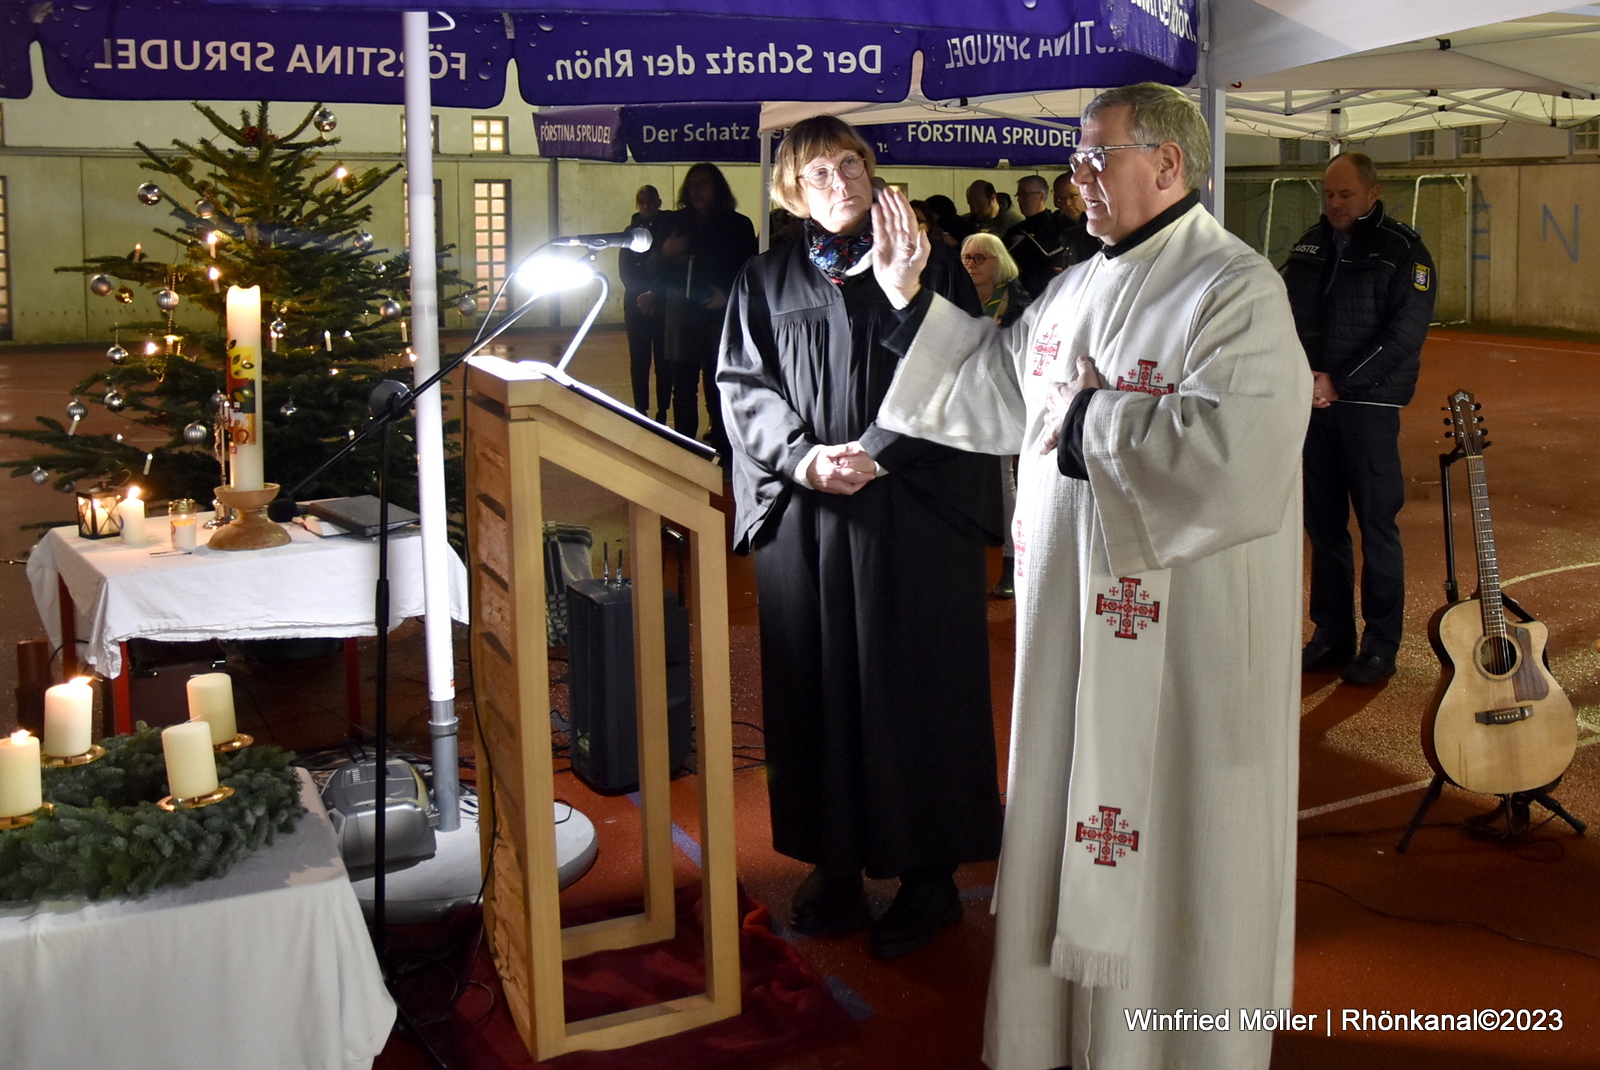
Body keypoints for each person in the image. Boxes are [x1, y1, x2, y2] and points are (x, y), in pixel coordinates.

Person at [869, 82, 1309, 1069]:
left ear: (1169, 163)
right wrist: (909, 298)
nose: (1077, 178)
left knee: (1180, 836)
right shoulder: (1072, 286)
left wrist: (1087, 424)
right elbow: (994, 388)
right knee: (1072, 805)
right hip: (1073, 632)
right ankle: (1064, 1037)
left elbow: (1240, 452)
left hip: (1183, 654)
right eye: (1074, 161)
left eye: (1096, 157)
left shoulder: (1234, 289)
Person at [717, 114, 1003, 960]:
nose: (840, 181)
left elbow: (968, 371)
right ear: (790, 191)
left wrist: (875, 454)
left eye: (851, 163)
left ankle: (928, 877)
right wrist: (805, 462)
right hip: (808, 518)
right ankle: (836, 862)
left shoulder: (929, 261)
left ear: (873, 169)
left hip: (911, 510)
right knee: (818, 688)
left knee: (916, 687)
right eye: (818, 172)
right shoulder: (764, 280)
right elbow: (742, 387)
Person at [1283, 152, 1436, 685]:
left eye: (1346, 194)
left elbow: (1403, 337)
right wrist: (1300, 376)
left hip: (1367, 410)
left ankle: (1379, 644)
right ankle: (1331, 634)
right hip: (1312, 406)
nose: (1336, 204)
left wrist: (1337, 382)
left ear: (1372, 193)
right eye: (1328, 195)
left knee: (1376, 528)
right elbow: (1281, 311)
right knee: (1324, 530)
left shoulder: (1403, 251)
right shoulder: (1310, 243)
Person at [654, 163, 758, 452]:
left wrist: (727, 296)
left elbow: (748, 270)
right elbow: (653, 271)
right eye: (692, 184)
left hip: (720, 316)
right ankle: (686, 449)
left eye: (703, 184)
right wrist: (664, 252)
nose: (696, 190)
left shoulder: (737, 224)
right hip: (682, 316)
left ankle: (725, 451)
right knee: (683, 389)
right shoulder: (672, 223)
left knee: (720, 386)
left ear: (717, 189)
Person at [961, 231, 1031, 599]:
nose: (970, 264)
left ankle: (1011, 563)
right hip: (964, 397)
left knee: (1004, 481)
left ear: (998, 261)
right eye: (967, 258)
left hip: (1005, 397)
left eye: (979, 258)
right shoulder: (957, 298)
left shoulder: (1018, 303)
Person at [620, 184, 670, 420]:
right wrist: (642, 297)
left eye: (651, 201)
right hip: (637, 304)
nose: (647, 206)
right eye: (643, 202)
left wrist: (654, 294)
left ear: (659, 202)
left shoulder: (668, 230)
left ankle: (662, 410)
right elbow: (626, 271)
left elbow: (671, 267)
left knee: (664, 360)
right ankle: (641, 409)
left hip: (662, 303)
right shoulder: (629, 232)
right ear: (638, 205)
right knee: (639, 360)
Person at [1004, 175, 1069, 298]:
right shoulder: (1015, 230)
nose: (1020, 200)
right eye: (1018, 195)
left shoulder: (1059, 225)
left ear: (1042, 196)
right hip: (1020, 295)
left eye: (1025, 194)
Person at [1053, 171, 1102, 266]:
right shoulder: (1056, 228)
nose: (1067, 203)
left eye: (1073, 196)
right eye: (1061, 199)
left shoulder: (1101, 226)